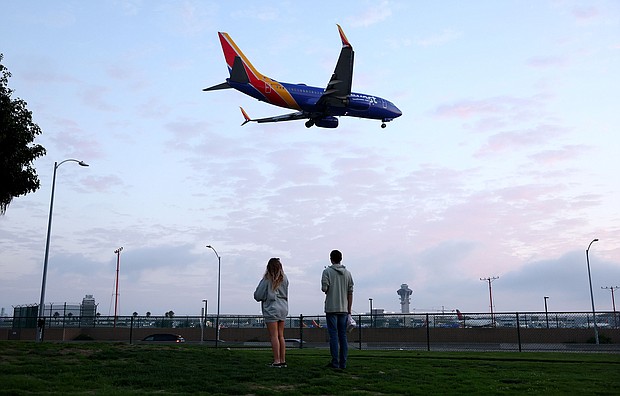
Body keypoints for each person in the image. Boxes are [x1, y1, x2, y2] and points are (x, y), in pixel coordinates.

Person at [321, 249, 354, 369]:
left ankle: (335, 362)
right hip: (344, 309)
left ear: (331, 258)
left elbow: (324, 288)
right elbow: (350, 292)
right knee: (343, 336)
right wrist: (349, 309)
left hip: (331, 308)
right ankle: (343, 363)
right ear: (341, 258)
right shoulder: (348, 273)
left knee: (333, 336)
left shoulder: (327, 272)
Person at [254, 257, 289, 367]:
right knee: (281, 336)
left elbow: (258, 295)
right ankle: (282, 360)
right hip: (283, 308)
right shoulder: (285, 279)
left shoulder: (267, 279)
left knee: (274, 336)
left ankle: (276, 361)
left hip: (271, 308)